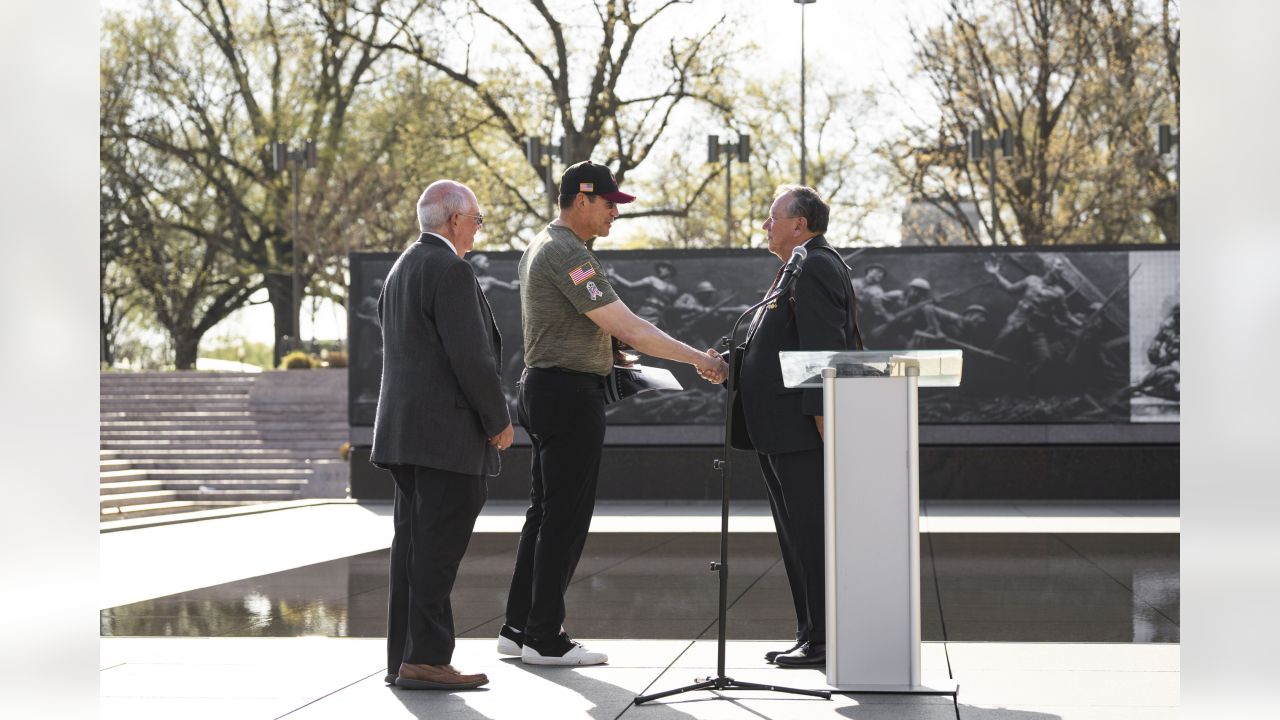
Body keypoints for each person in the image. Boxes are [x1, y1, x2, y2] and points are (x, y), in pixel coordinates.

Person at [499, 160, 727, 666]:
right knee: (566, 517)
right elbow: (628, 325)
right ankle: (544, 638)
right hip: (567, 396)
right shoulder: (569, 253)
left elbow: (586, 327)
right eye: (608, 204)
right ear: (582, 199)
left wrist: (608, 349)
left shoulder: (542, 244)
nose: (613, 214)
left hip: (544, 389)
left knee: (543, 515)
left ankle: (517, 628)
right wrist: (701, 360)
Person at [370, 180, 514, 691]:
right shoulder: (450, 269)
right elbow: (470, 357)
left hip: (405, 436)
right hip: (447, 438)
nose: (478, 228)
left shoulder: (402, 266)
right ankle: (427, 659)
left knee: (412, 547)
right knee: (435, 552)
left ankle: (404, 657)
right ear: (453, 220)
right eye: (476, 218)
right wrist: (498, 421)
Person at [731, 185, 861, 668]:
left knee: (811, 536)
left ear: (798, 225)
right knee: (796, 537)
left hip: (802, 433)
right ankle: (811, 634)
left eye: (772, 218)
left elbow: (823, 350)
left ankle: (825, 639)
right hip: (780, 431)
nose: (766, 226)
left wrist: (824, 421)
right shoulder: (799, 263)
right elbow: (782, 344)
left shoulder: (816, 264)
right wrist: (732, 364)